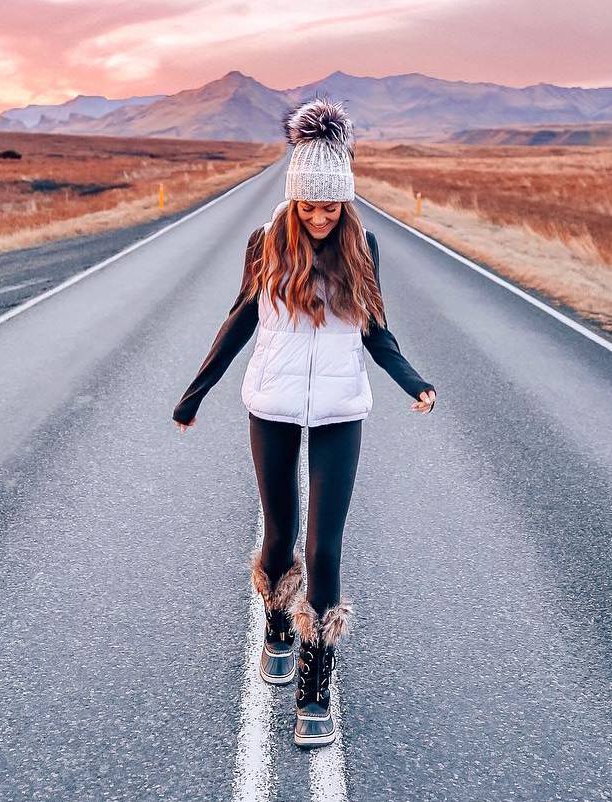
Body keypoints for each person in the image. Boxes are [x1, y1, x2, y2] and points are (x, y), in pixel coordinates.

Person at [172, 97, 437, 749]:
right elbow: (238, 321)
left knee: (324, 549)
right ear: (294, 201)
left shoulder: (360, 247)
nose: (320, 217)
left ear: (345, 204)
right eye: (310, 205)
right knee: (280, 535)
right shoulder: (266, 246)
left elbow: (377, 331)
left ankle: (316, 682)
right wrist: (195, 391)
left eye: (331, 206)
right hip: (273, 408)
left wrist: (413, 380)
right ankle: (277, 621)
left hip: (343, 411)